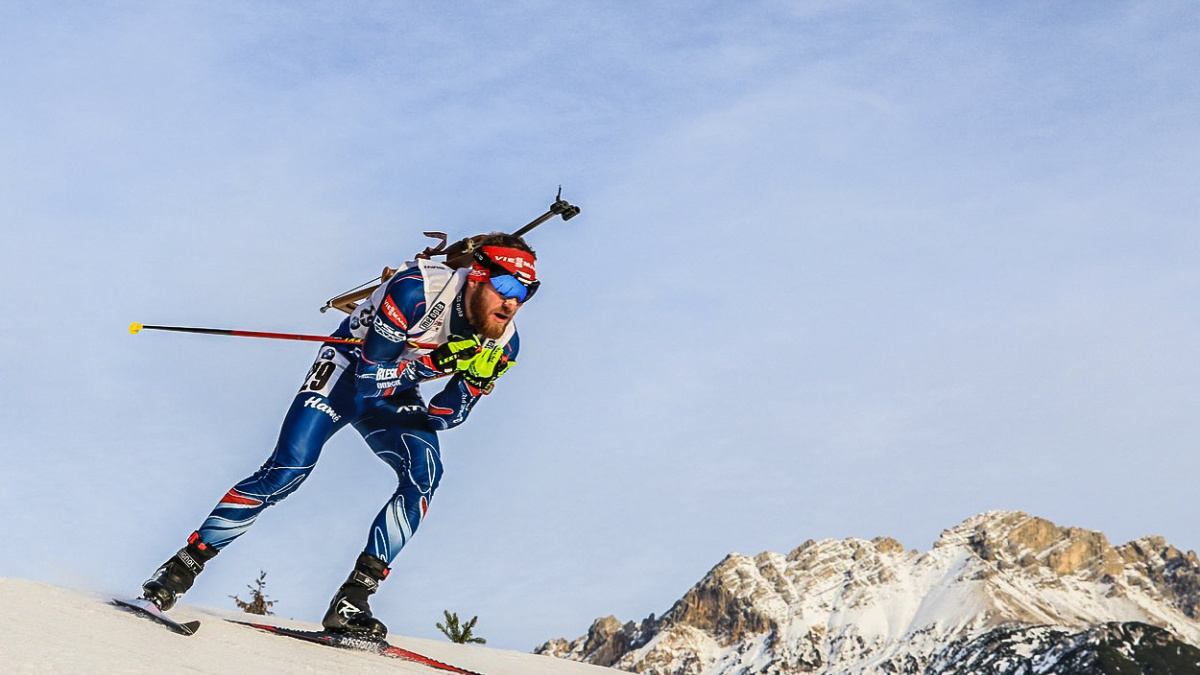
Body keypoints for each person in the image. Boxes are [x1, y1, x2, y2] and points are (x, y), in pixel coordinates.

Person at [140, 232, 539, 638]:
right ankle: (178, 571)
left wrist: (473, 382)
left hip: (396, 387)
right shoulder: (416, 290)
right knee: (289, 470)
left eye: (526, 291)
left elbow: (442, 416)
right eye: (505, 285)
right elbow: (368, 382)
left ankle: (353, 600)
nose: (513, 301)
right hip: (348, 369)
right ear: (476, 276)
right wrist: (432, 363)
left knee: (425, 475)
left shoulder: (504, 343)